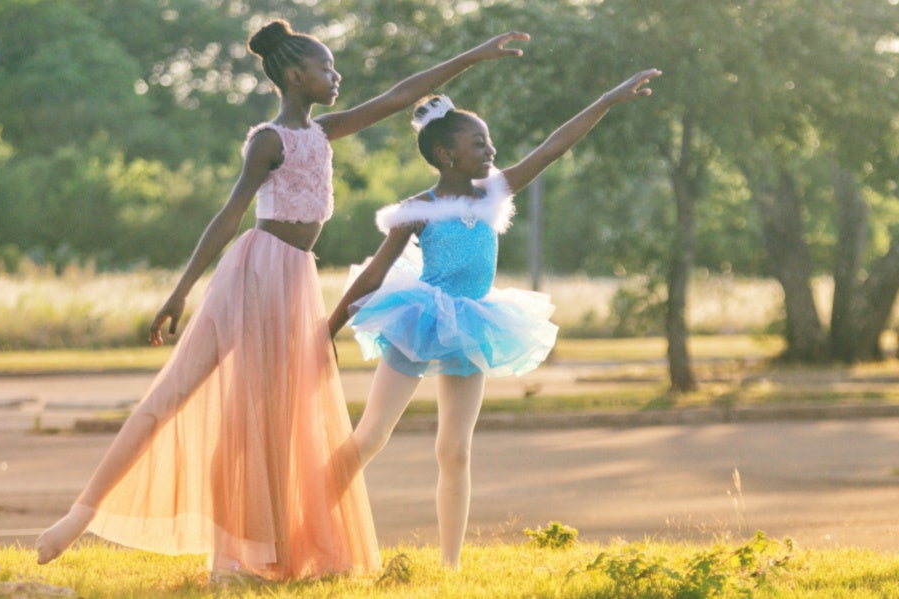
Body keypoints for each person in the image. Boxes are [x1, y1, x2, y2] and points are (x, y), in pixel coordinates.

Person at [34, 19, 530, 581]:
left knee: (277, 418)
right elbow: (229, 215)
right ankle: (83, 517)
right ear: (295, 76)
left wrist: (477, 55)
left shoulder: (324, 133)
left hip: (296, 277)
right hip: (255, 268)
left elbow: (403, 94)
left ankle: (262, 553)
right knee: (190, 392)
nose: (336, 76)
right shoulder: (267, 140)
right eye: (326, 67)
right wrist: (180, 292)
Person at [328, 67, 662, 568]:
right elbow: (376, 271)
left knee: (455, 451)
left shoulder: (494, 193)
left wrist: (608, 99)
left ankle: (450, 564)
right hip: (421, 320)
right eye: (478, 143)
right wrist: (325, 328)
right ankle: (306, 518)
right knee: (372, 435)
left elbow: (553, 147)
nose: (490, 150)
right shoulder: (419, 208)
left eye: (489, 142)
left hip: (473, 326)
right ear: (446, 155)